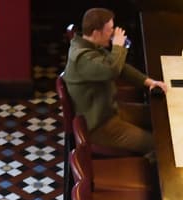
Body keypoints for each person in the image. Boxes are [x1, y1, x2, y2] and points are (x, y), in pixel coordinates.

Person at [63, 7, 168, 155]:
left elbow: (120, 67)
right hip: (99, 126)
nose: (113, 34)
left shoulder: (91, 45)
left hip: (110, 110)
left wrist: (150, 82)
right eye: (110, 30)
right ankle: (152, 165)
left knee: (161, 116)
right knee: (158, 144)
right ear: (96, 33)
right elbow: (112, 70)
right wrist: (118, 46)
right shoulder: (82, 58)